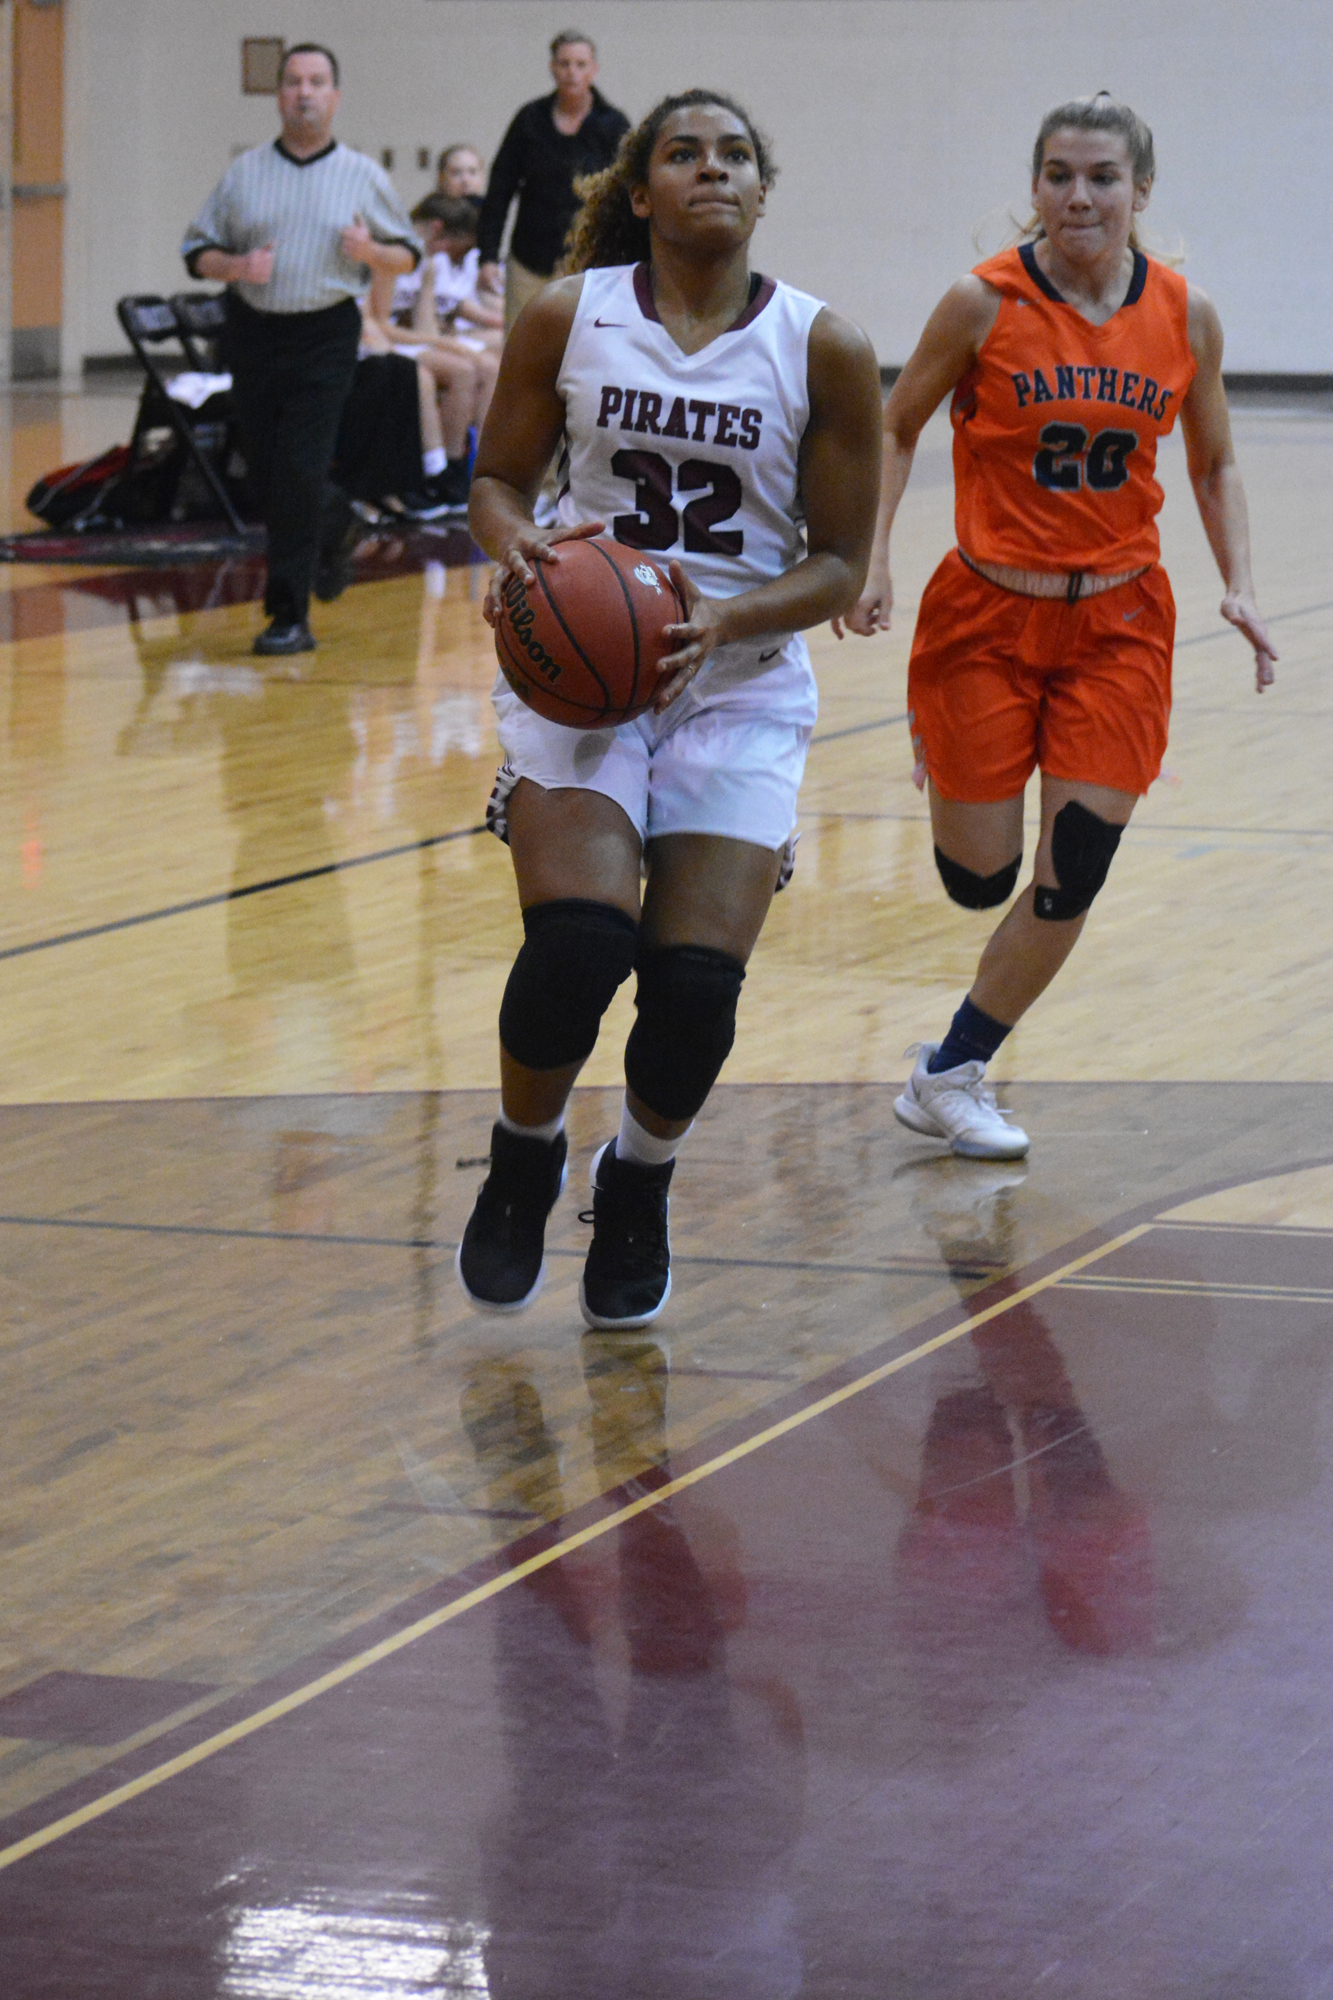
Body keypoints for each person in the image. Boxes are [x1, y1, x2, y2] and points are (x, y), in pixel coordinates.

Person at [456, 89, 881, 1329]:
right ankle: (523, 1151)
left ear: (762, 189)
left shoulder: (822, 346)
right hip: (586, 682)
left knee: (693, 985)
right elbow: (494, 481)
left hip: (736, 680)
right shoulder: (566, 315)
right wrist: (522, 545)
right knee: (579, 947)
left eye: (735, 154)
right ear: (637, 192)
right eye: (683, 154)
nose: (712, 170)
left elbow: (843, 562)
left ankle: (636, 1181)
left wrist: (727, 621)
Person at [840, 92, 1277, 1161]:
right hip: (984, 612)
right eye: (1058, 176)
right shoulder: (979, 303)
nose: (1078, 197)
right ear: (1032, 186)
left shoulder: (1185, 314)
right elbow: (894, 431)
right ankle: (941, 744)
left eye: (1101, 178)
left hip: (1120, 620)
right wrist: (872, 555)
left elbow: (1213, 459)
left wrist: (1241, 583)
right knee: (975, 878)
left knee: (1070, 865)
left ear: (1139, 192)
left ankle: (952, 1066)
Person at [181, 43, 420, 654]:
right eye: (293, 82)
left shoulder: (363, 175)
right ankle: (338, 520)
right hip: (254, 331)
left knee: (301, 465)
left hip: (326, 331)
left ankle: (289, 614)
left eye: (316, 82)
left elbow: (407, 254)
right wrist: (236, 264)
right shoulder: (245, 172)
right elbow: (196, 253)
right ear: (279, 94)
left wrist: (371, 254)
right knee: (266, 469)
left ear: (334, 97)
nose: (304, 93)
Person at [476, 30, 629, 332]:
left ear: (593, 70)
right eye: (564, 63)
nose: (572, 72)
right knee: (521, 351)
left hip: (590, 265)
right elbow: (499, 190)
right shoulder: (529, 120)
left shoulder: (613, 125)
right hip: (529, 261)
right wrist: (488, 256)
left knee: (583, 353)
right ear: (552, 68)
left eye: (580, 64)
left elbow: (628, 196)